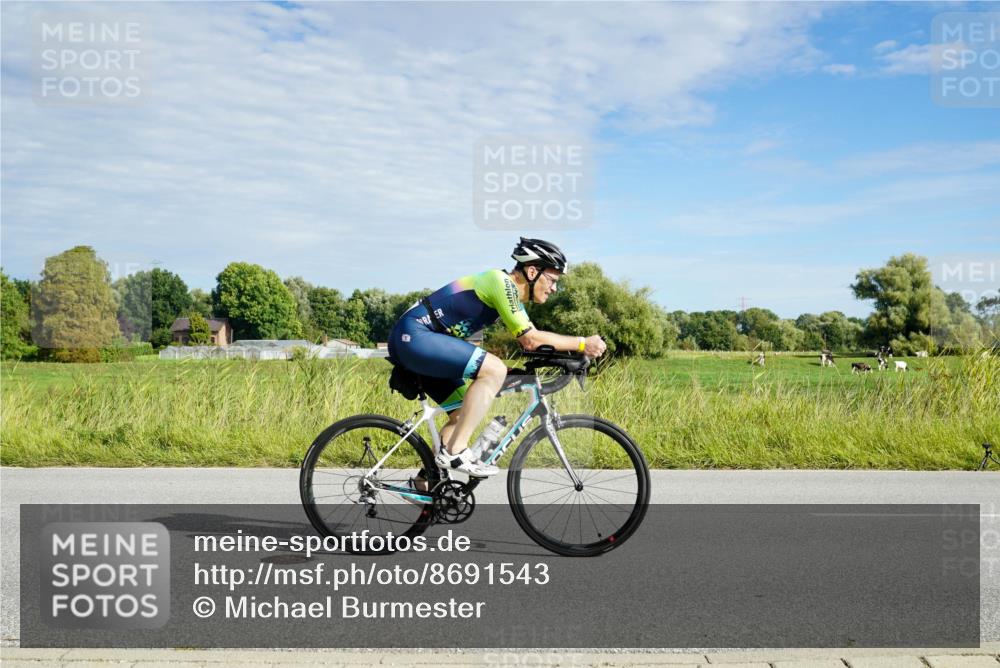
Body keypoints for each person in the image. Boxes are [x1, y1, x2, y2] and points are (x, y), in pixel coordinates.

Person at [387, 237, 607, 477]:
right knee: (494, 369)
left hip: (424, 342)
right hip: (415, 335)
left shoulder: (510, 297)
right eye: (552, 280)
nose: (554, 288)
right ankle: (455, 452)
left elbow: (531, 342)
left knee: (461, 414)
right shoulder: (500, 282)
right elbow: (531, 339)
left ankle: (425, 483)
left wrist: (566, 358)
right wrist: (583, 343)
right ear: (532, 271)